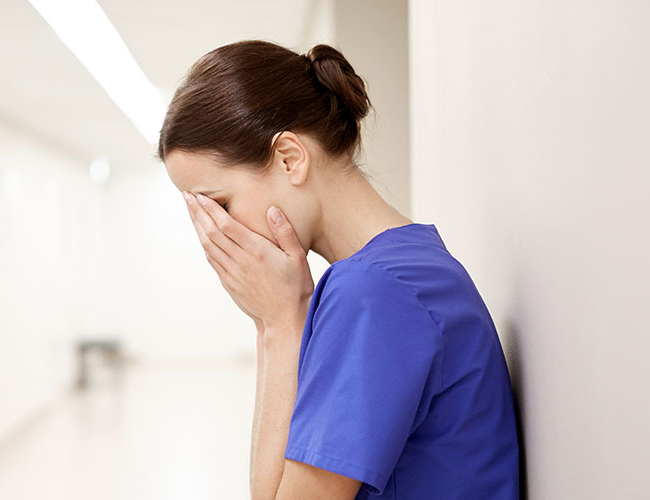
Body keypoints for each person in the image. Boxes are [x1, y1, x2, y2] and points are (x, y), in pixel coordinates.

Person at [156, 39, 519, 500]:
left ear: (290, 158)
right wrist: (275, 318)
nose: (217, 231)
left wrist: (280, 324)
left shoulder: (373, 292)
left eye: (220, 204)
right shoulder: (406, 263)